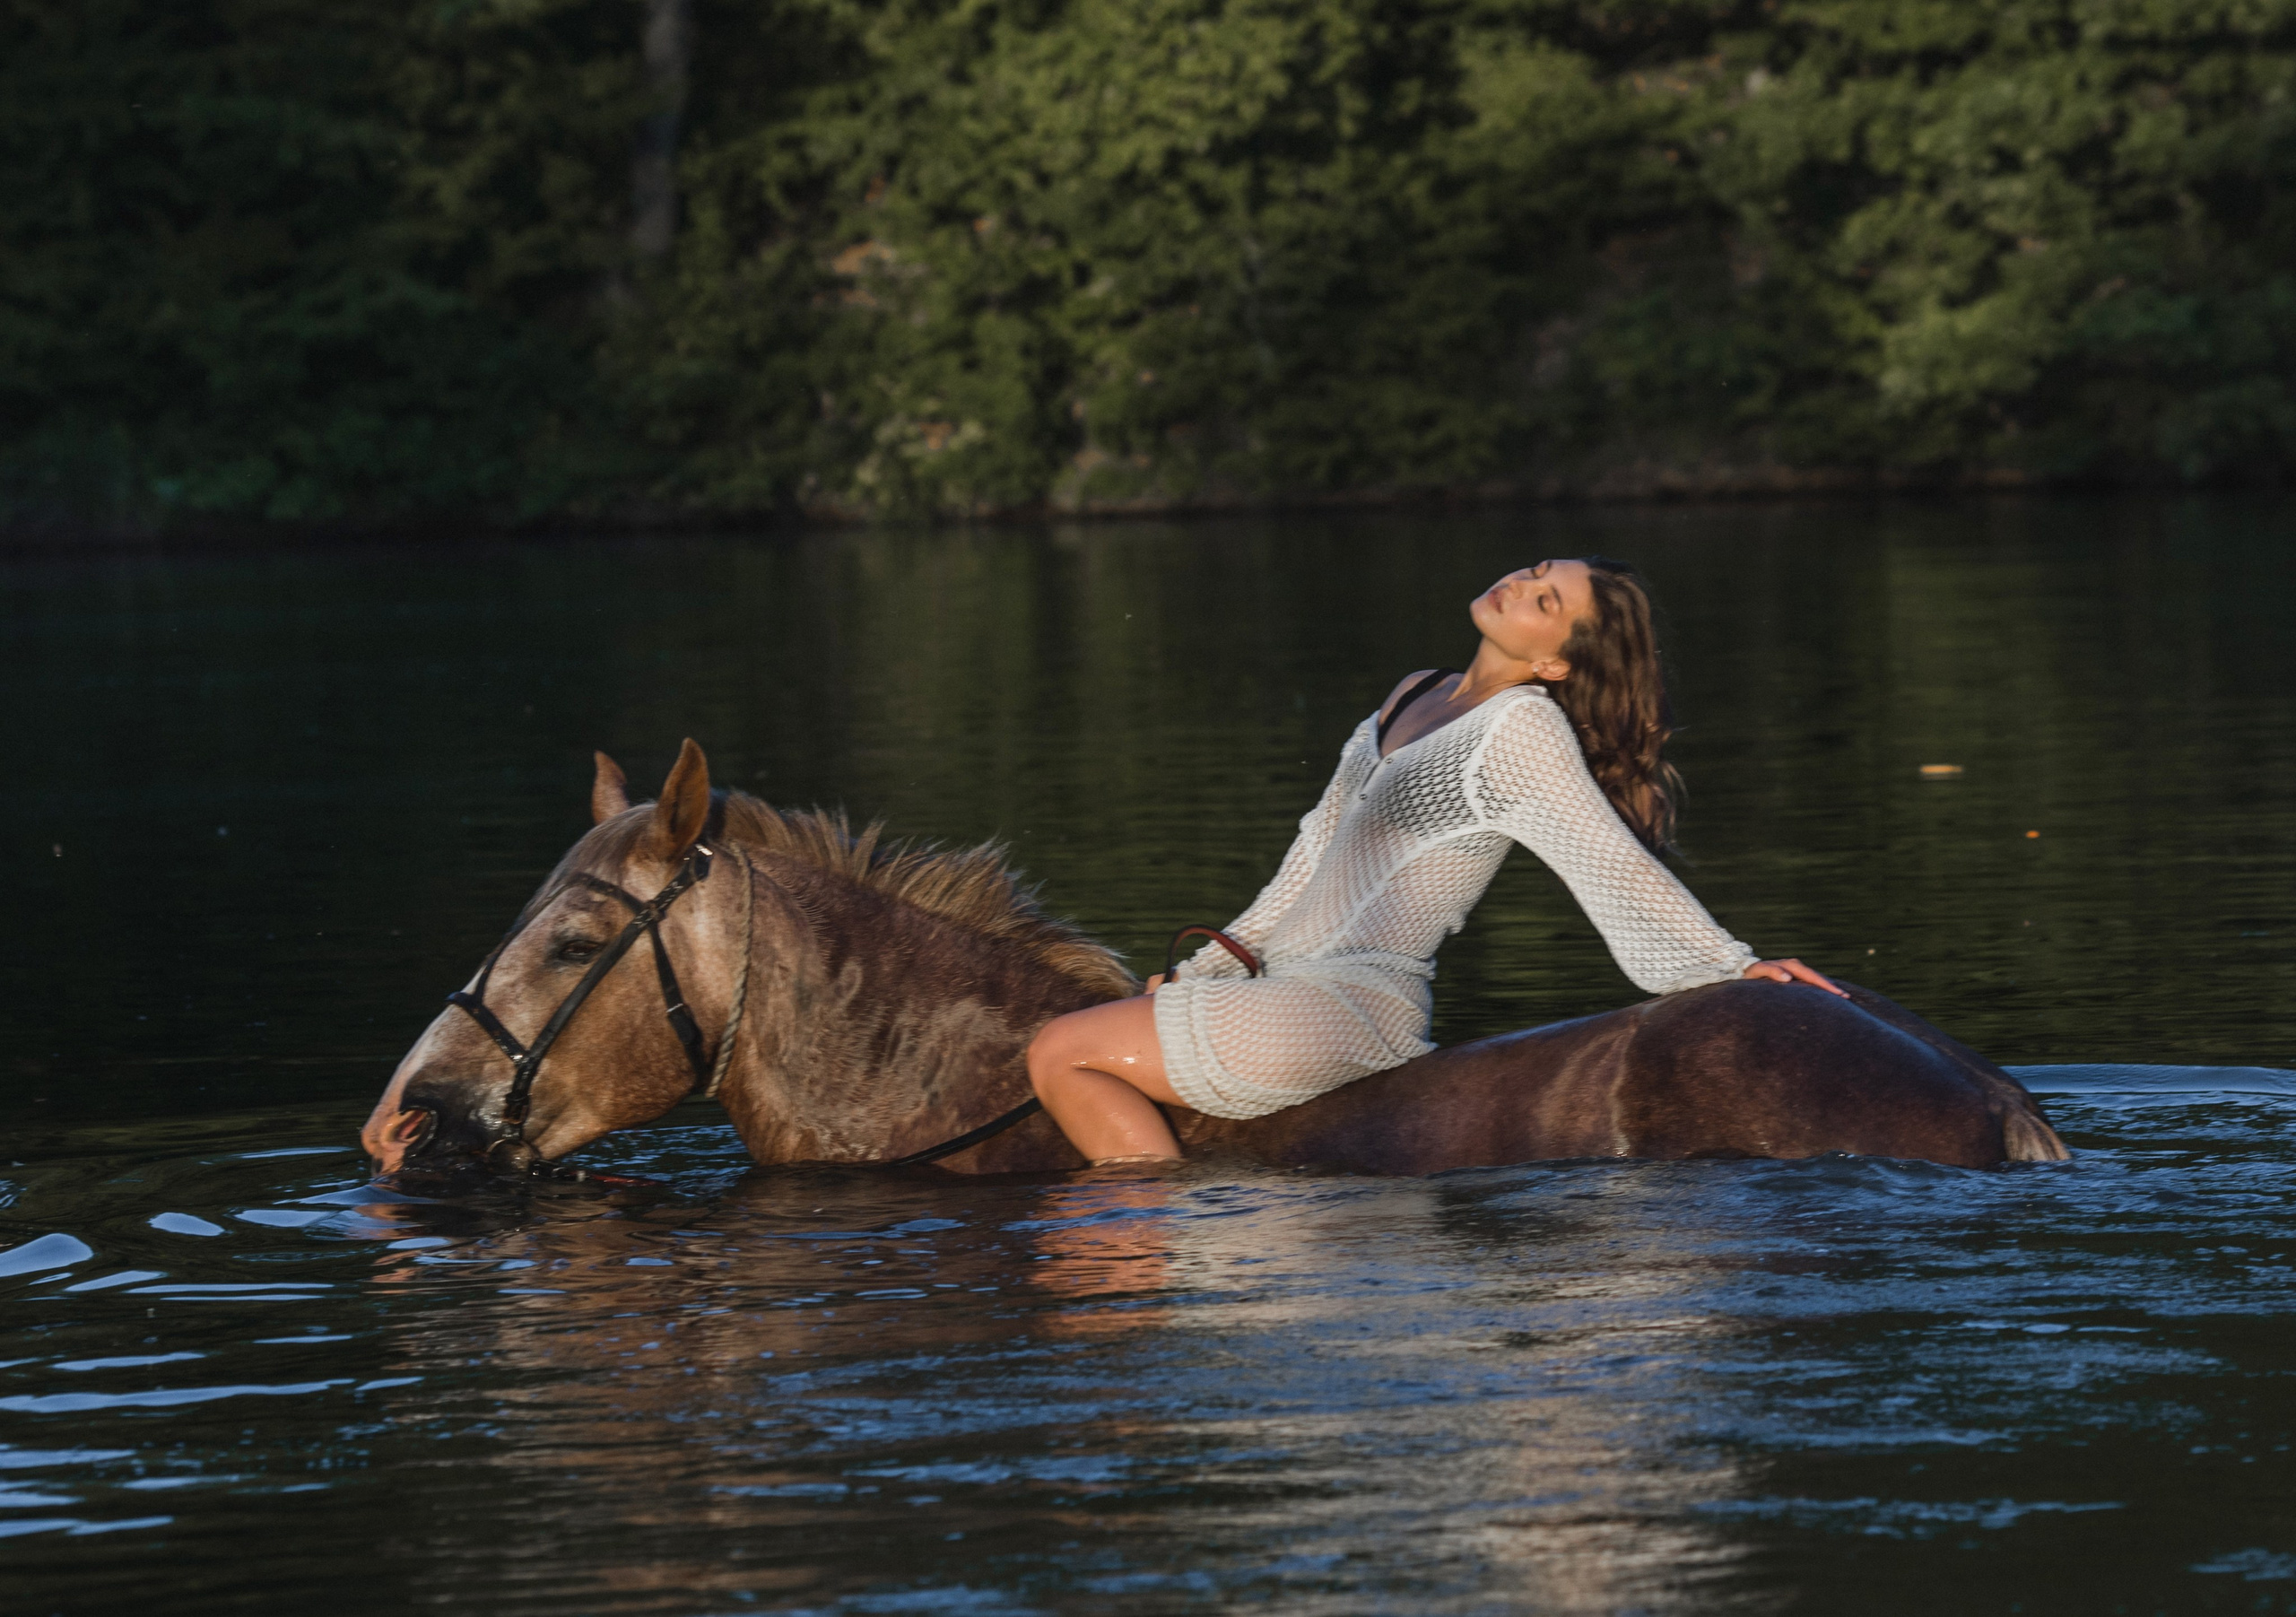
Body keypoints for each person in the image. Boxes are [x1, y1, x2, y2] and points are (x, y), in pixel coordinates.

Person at [1025, 556, 1844, 1165]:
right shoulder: (1415, 691)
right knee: (1068, 1045)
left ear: (1556, 663)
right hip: (1280, 981)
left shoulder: (1521, 729)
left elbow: (1607, 859)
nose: (1518, 587)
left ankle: (1142, 1265)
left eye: (1544, 600)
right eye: (1530, 574)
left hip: (1350, 1002)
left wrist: (1729, 966)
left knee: (1059, 1050)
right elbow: (1314, 848)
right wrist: (1212, 967)